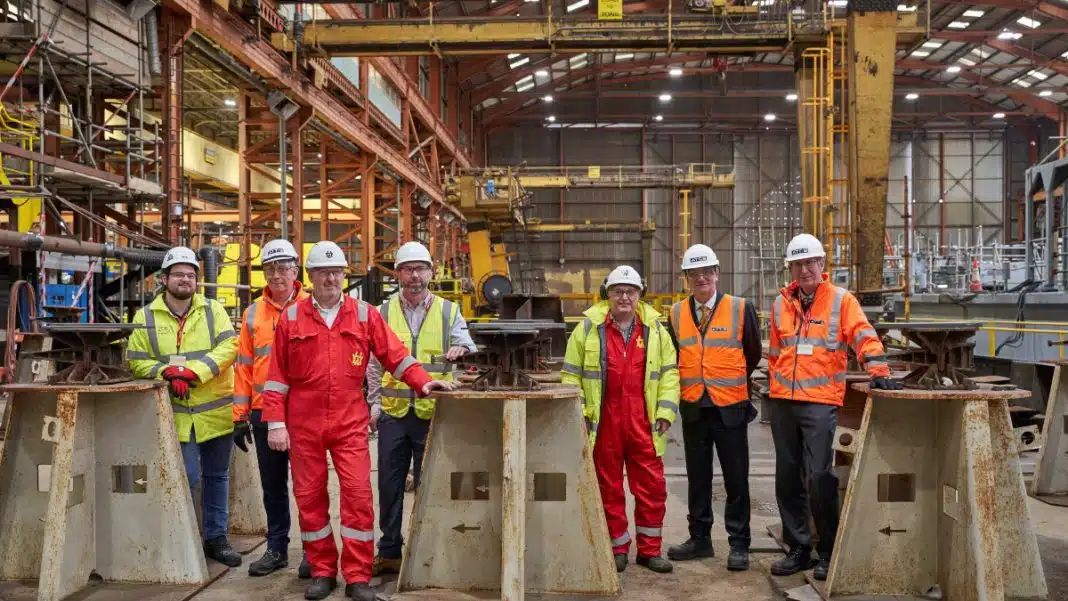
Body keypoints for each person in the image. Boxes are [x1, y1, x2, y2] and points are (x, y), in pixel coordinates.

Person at [261, 240, 456, 601]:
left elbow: (395, 355)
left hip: (350, 421)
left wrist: (423, 381)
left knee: (357, 495)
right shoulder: (291, 319)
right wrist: (275, 422)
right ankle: (322, 570)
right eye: (323, 272)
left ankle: (356, 576)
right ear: (311, 276)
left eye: (336, 272)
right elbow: (277, 376)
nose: (330, 278)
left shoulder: (365, 315)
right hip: (303, 424)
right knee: (308, 498)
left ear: (343, 276)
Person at [767, 233, 900, 580]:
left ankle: (827, 550)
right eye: (799, 264)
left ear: (822, 265)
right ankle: (798, 548)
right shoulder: (780, 303)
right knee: (786, 477)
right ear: (791, 268)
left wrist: (878, 368)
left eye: (811, 262)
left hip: (819, 402)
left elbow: (863, 334)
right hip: (783, 402)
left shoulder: (841, 301)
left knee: (820, 477)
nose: (806, 269)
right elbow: (775, 352)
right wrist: (773, 388)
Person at [366, 241, 477, 577]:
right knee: (389, 484)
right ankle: (389, 551)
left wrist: (461, 348)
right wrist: (373, 404)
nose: (414, 275)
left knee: (435, 484)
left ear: (431, 272)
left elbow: (468, 346)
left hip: (434, 414)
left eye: (420, 269)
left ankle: (433, 549)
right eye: (407, 269)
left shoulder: (448, 311)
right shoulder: (382, 312)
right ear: (398, 273)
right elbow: (372, 364)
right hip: (393, 413)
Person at [126, 246, 242, 567]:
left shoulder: (212, 311)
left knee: (217, 477)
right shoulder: (146, 317)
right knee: (186, 476)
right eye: (178, 275)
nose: (185, 280)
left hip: (216, 414)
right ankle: (185, 536)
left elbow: (229, 346)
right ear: (164, 279)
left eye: (190, 275)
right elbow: (136, 360)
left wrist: (195, 371)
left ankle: (216, 539)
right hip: (177, 417)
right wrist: (166, 372)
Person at [561, 265, 679, 574]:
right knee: (607, 486)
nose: (624, 297)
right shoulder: (588, 328)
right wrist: (581, 413)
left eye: (630, 291)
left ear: (640, 294)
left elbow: (669, 373)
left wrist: (666, 412)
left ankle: (650, 550)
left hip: (644, 421)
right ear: (607, 295)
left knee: (651, 486)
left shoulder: (655, 329)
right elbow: (570, 375)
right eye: (618, 291)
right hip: (604, 421)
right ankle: (616, 548)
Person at [665, 244, 762, 571]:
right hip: (694, 406)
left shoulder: (740, 307)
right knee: (698, 477)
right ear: (687, 279)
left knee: (736, 478)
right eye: (695, 273)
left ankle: (739, 543)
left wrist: (727, 377)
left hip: (730, 407)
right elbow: (677, 352)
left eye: (707, 271)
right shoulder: (676, 313)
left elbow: (752, 353)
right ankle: (700, 539)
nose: (702, 278)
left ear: (717, 274)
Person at [232, 239, 313, 578]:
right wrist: (240, 417)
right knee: (273, 487)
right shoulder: (253, 313)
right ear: (262, 272)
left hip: (306, 412)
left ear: (296, 270)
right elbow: (243, 367)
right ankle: (277, 549)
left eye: (283, 267)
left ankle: (314, 552)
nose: (277, 274)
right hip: (265, 413)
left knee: (310, 486)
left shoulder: (314, 306)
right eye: (270, 268)